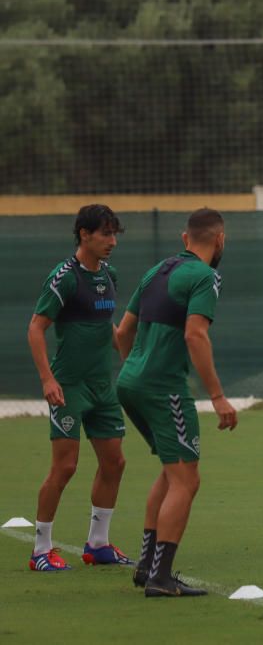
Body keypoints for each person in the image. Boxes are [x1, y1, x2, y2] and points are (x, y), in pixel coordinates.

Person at [116, 208, 238, 597]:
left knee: (172, 473)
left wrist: (136, 369)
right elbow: (195, 336)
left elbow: (123, 331)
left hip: (130, 381)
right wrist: (217, 397)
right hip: (164, 386)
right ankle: (161, 578)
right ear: (219, 240)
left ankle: (146, 568)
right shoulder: (206, 276)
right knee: (187, 479)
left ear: (185, 239)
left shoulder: (157, 270)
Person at [26, 205, 130, 571]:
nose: (112, 241)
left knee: (114, 462)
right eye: (105, 234)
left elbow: (109, 326)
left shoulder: (110, 275)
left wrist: (129, 361)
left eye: (115, 234)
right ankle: (40, 549)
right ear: (84, 234)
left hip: (104, 387)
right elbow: (36, 328)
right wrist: (47, 379)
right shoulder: (64, 277)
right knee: (65, 467)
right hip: (69, 387)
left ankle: (98, 544)